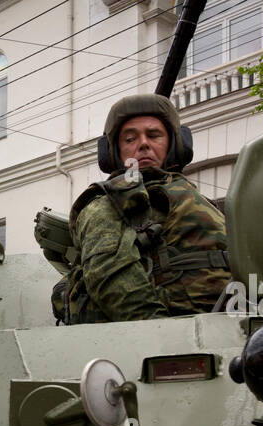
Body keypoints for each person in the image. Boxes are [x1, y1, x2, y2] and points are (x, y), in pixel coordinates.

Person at [55, 93, 230, 324]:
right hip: (174, 333)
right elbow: (110, 275)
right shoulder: (106, 202)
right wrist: (162, 332)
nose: (144, 143)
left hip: (232, 323)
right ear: (113, 151)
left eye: (154, 135)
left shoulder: (195, 198)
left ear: (175, 143)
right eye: (130, 139)